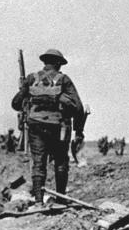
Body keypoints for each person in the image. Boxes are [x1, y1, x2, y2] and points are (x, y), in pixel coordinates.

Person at [11, 49, 86, 203]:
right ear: (58, 63)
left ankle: (39, 201)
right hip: (59, 128)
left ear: (45, 62)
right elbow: (78, 107)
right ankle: (60, 199)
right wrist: (79, 130)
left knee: (38, 163)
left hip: (36, 126)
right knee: (61, 162)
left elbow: (15, 103)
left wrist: (27, 101)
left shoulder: (32, 78)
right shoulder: (64, 80)